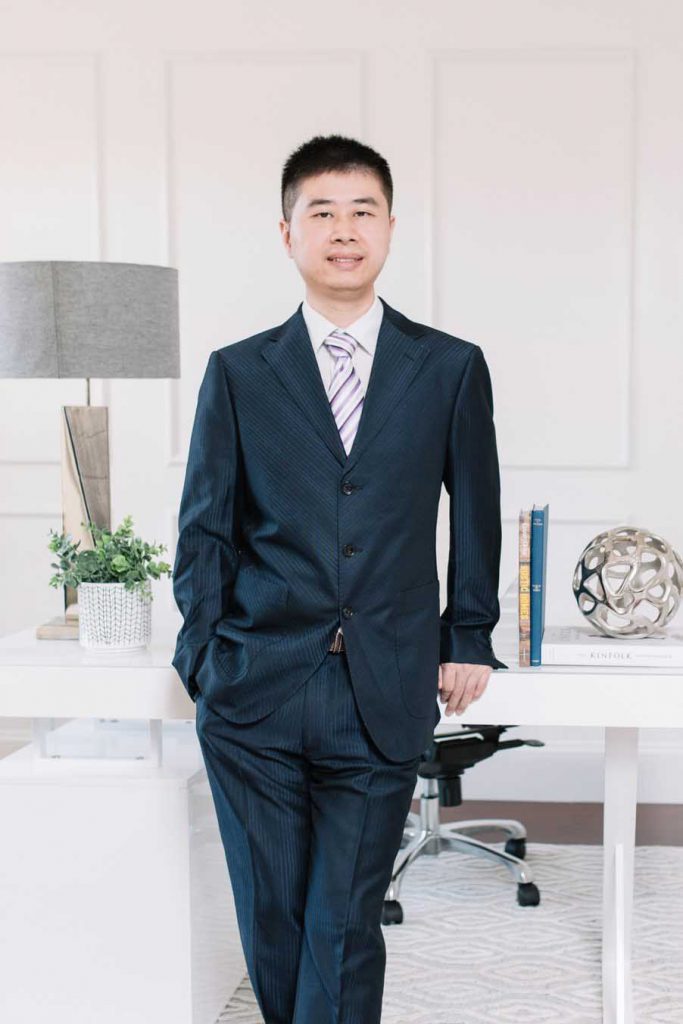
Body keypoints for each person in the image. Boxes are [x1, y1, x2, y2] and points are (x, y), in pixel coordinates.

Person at [171, 133, 508, 1024]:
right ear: (287, 233)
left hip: (382, 681)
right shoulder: (239, 372)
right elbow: (204, 528)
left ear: (390, 227)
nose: (343, 230)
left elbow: (475, 508)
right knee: (273, 916)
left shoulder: (448, 367)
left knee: (345, 921)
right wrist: (203, 657)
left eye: (363, 211)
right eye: (321, 212)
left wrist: (468, 633)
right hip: (256, 685)